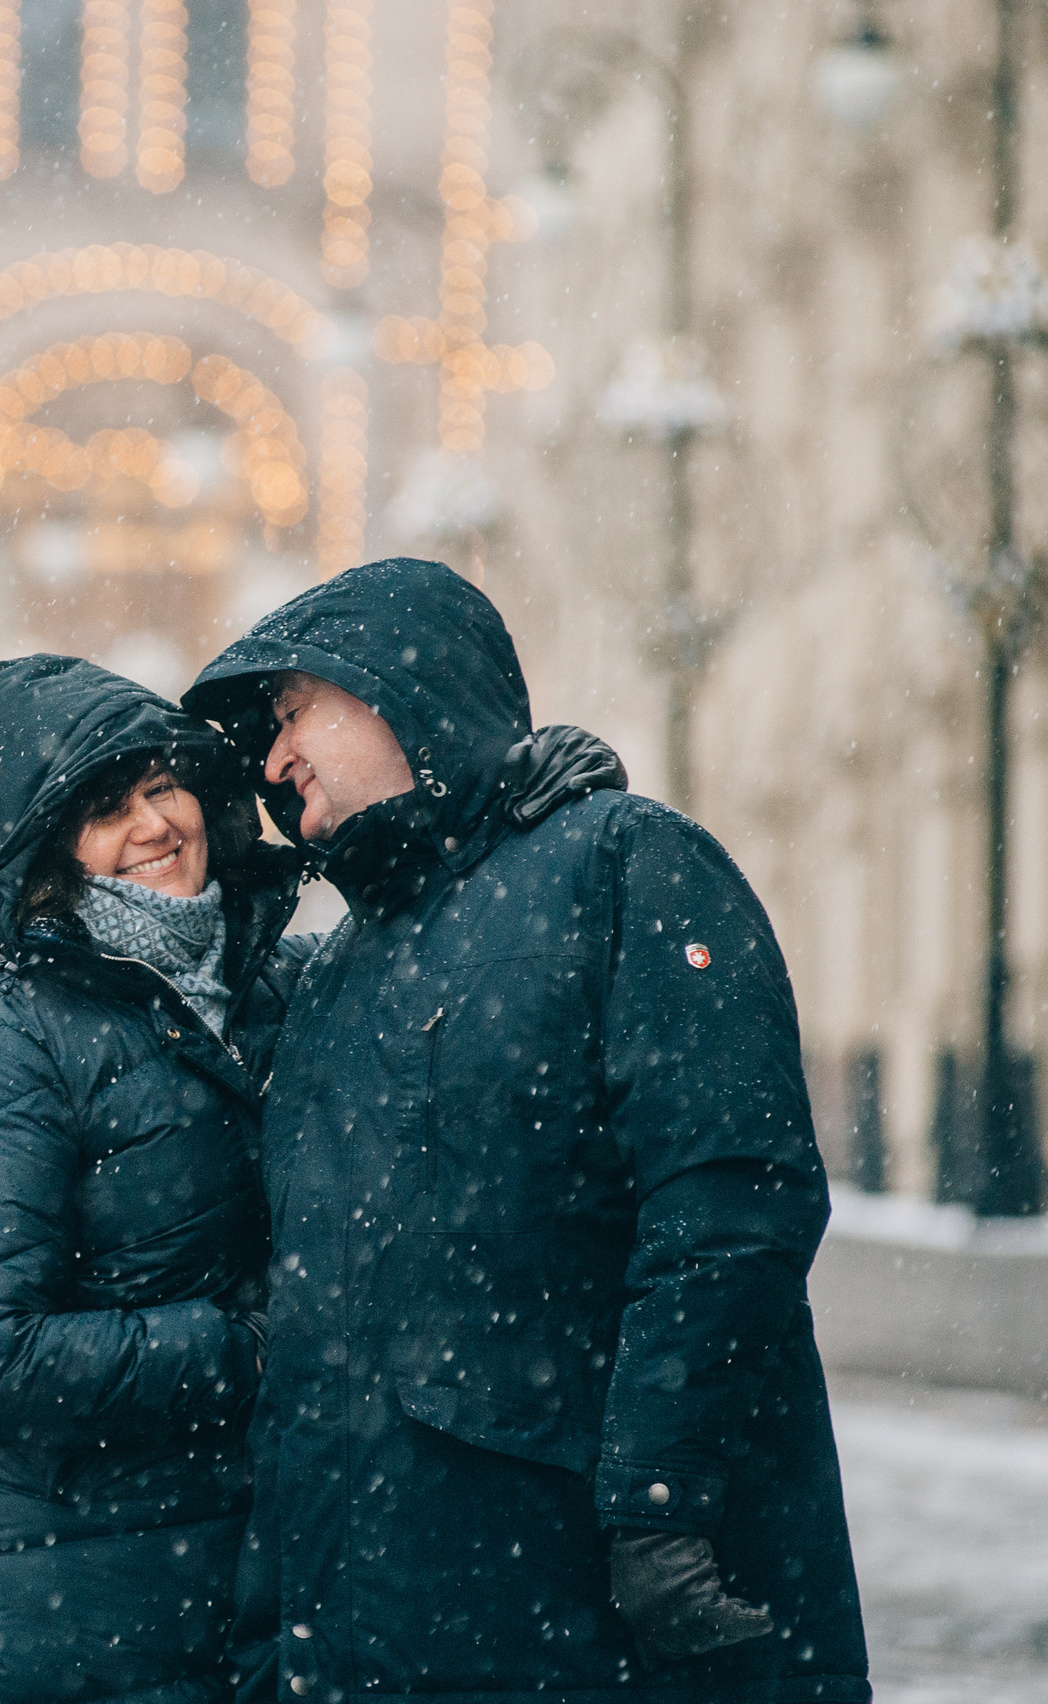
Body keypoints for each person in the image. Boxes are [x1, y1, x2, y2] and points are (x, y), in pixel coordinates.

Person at [184, 556, 870, 1704]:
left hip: (570, 1615)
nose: (271, 758)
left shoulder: (619, 864)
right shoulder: (340, 969)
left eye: (293, 710)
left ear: (399, 687)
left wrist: (660, 1508)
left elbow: (729, 1202)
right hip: (368, 1632)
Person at [0, 655, 312, 1704]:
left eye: (158, 786)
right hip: (52, 1597)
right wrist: (248, 1346)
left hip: (230, 1577)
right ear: (41, 855)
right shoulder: (4, 1046)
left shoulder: (277, 985)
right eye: (101, 810)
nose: (153, 825)